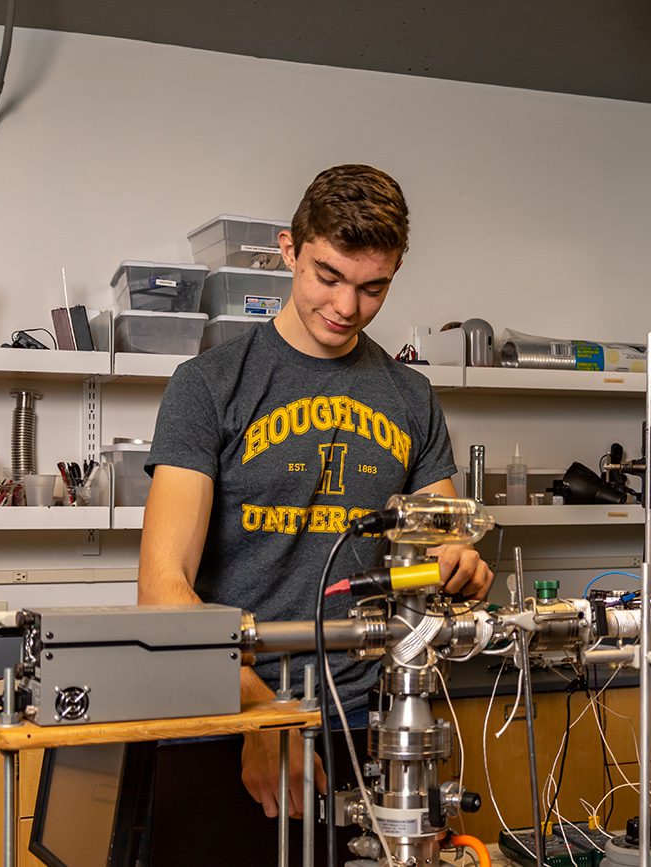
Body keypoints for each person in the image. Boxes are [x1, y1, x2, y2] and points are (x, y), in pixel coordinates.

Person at [138, 165, 493, 829]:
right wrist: (259, 712)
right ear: (289, 250)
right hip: (225, 711)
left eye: (372, 287)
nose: (348, 306)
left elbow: (446, 534)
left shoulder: (409, 397)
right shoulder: (209, 385)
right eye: (328, 276)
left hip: (362, 720)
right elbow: (163, 590)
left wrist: (459, 561)